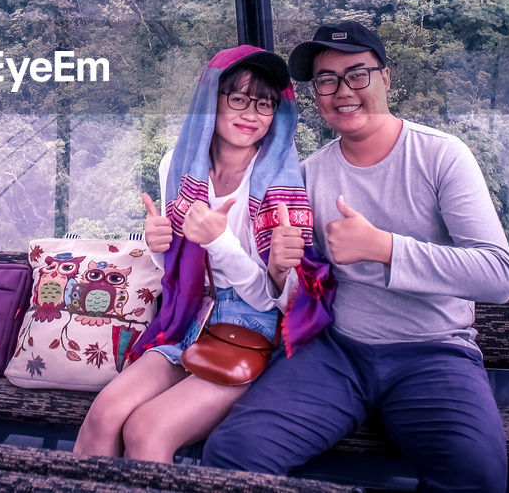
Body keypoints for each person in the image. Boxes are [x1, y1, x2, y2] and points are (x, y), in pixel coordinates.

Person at [203, 21, 509, 492]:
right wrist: (278, 266)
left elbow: (498, 276)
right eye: (326, 80)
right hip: (337, 352)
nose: (342, 90)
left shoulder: (441, 156)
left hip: (433, 352)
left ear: (385, 78)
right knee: (233, 453)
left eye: (357, 74)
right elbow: (284, 281)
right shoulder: (308, 175)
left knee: (476, 476)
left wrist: (385, 249)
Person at [73, 45, 332, 462]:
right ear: (211, 99)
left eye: (264, 104)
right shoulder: (177, 165)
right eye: (238, 98)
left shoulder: (282, 183)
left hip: (251, 328)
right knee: (104, 414)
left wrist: (219, 242)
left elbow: (274, 298)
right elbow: (176, 267)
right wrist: (161, 246)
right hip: (186, 314)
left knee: (147, 430)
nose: (251, 113)